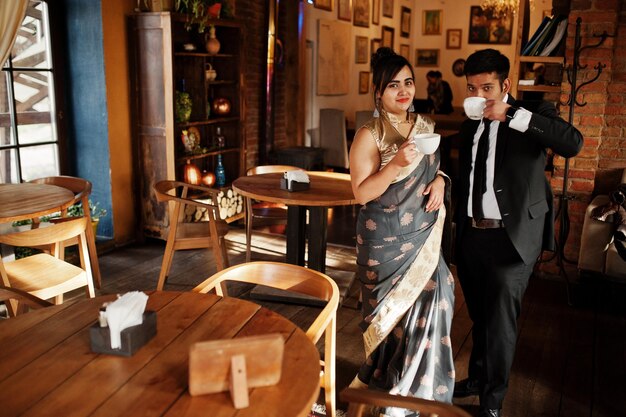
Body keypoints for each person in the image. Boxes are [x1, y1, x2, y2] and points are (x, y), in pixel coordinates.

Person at [453, 49, 583, 417]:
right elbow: (466, 178)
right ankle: (478, 379)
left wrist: (511, 114)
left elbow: (572, 143)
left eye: (487, 87)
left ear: (505, 85)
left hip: (512, 239)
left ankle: (492, 403)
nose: (479, 96)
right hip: (472, 237)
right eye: (472, 88)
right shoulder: (469, 127)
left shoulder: (534, 114)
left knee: (500, 322)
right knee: (480, 316)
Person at [348, 47, 455, 417]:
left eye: (408, 82)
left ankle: (413, 393)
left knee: (438, 295)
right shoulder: (369, 134)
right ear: (378, 92)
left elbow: (433, 169)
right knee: (392, 322)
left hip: (422, 237)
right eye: (393, 85)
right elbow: (361, 192)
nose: (403, 91)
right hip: (384, 242)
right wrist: (394, 164)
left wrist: (442, 179)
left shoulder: (424, 127)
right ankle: (388, 386)